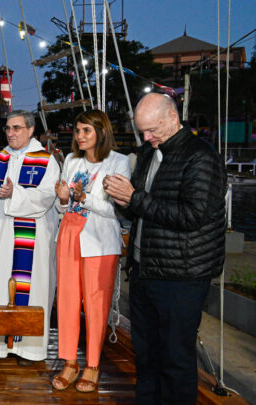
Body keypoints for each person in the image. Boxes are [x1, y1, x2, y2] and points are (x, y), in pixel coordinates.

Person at [104, 93, 226, 404]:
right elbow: (143, 209)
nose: (146, 138)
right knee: (146, 356)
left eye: (152, 130)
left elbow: (192, 217)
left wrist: (134, 199)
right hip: (146, 272)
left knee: (176, 359)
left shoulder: (201, 156)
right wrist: (123, 203)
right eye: (142, 131)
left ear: (172, 118)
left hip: (181, 276)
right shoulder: (149, 153)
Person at [51, 110, 130, 393]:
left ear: (101, 132)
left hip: (99, 239)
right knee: (68, 302)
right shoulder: (71, 160)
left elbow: (115, 208)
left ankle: (93, 365)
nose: (80, 136)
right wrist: (62, 200)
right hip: (69, 234)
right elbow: (63, 205)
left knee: (96, 305)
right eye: (77, 131)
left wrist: (84, 197)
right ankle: (69, 361)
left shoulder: (119, 162)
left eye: (86, 131)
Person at [0, 110, 59, 365]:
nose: (10, 133)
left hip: (32, 236)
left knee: (33, 290)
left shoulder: (46, 160)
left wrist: (13, 194)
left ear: (31, 130)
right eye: (8, 128)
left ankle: (29, 349)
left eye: (17, 128)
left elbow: (45, 198)